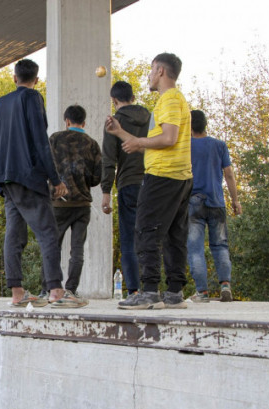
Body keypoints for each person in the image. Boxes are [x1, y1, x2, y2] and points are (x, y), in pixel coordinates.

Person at [0, 58, 85, 309]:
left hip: (6, 176)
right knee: (48, 232)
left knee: (14, 234)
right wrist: (55, 179)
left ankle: (17, 292)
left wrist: (0, 176)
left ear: (14, 77)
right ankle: (56, 290)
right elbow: (40, 142)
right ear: (36, 79)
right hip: (27, 175)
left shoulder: (2, 103)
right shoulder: (32, 98)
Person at [106, 52, 193, 310]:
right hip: (180, 176)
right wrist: (121, 133)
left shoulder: (168, 99)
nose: (149, 75)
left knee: (145, 230)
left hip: (162, 177)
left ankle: (150, 291)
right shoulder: (177, 100)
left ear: (161, 71)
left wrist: (140, 141)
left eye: (152, 70)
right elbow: (159, 145)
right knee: (174, 235)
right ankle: (175, 293)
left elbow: (168, 139)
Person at [38, 104, 101, 305]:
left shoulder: (55, 139)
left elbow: (43, 165)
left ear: (66, 121)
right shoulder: (92, 144)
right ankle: (71, 290)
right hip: (82, 204)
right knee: (77, 250)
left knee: (52, 246)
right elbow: (97, 178)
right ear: (84, 122)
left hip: (59, 203)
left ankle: (46, 289)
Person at [101, 81, 151, 298]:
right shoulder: (151, 117)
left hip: (128, 183)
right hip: (152, 182)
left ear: (114, 100)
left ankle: (133, 290)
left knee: (129, 238)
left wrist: (105, 193)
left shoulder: (115, 122)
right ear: (132, 96)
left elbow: (109, 158)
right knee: (150, 236)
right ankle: (152, 287)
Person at [187, 110, 241, 303]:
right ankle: (225, 285)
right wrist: (235, 201)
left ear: (189, 126)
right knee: (220, 246)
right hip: (217, 202)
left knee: (195, 248)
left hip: (194, 202)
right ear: (205, 125)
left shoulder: (186, 146)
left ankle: (202, 292)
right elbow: (229, 175)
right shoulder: (219, 146)